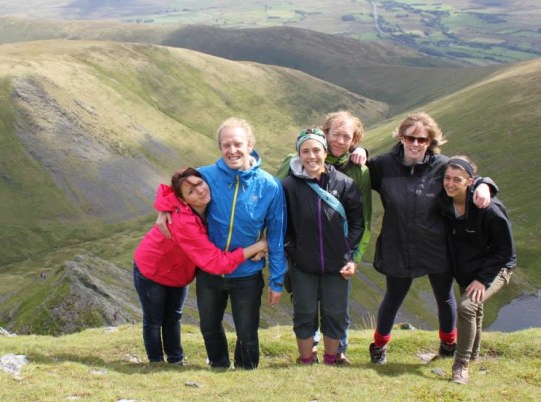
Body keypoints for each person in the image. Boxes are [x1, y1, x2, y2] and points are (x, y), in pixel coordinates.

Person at [358, 112, 495, 364]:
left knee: (444, 297)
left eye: (422, 139)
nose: (415, 144)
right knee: (393, 298)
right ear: (401, 137)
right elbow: (355, 171)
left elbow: (469, 176)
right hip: (397, 244)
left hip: (436, 245)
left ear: (430, 142)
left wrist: (486, 185)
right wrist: (362, 152)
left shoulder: (443, 165)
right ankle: (378, 348)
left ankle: (448, 346)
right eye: (410, 137)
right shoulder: (384, 165)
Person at [156, 117, 287, 369]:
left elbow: (277, 233)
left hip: (247, 273)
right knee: (209, 327)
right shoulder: (206, 175)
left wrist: (277, 280)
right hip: (209, 272)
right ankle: (218, 367)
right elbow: (172, 189)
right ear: (220, 148)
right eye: (226, 145)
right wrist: (163, 208)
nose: (232, 150)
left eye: (238, 144)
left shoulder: (269, 185)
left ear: (250, 145)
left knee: (247, 332)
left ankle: (246, 372)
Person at [134, 167, 269, 364]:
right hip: (152, 268)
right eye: (191, 192)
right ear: (183, 200)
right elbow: (217, 262)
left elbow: (170, 188)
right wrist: (260, 245)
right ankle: (155, 362)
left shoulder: (201, 203)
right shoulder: (184, 222)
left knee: (173, 316)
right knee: (154, 320)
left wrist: (164, 206)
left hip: (178, 272)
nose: (199, 190)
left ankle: (175, 359)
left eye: (200, 183)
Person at [277, 110, 372, 364]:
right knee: (304, 311)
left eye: (316, 151)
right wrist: (291, 251)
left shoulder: (346, 182)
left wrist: (348, 254)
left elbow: (358, 222)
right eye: (305, 151)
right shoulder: (288, 186)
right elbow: (280, 222)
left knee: (335, 312)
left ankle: (333, 358)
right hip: (302, 264)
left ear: (323, 151)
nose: (311, 156)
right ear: (299, 153)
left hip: (337, 264)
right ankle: (306, 359)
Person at [439, 156, 516, 384]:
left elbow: (505, 251)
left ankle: (460, 366)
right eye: (447, 178)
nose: (450, 184)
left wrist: (483, 280)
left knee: (467, 307)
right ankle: (473, 356)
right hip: (468, 268)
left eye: (457, 180)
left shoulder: (489, 208)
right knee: (476, 312)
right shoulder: (445, 202)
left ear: (470, 181)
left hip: (496, 268)